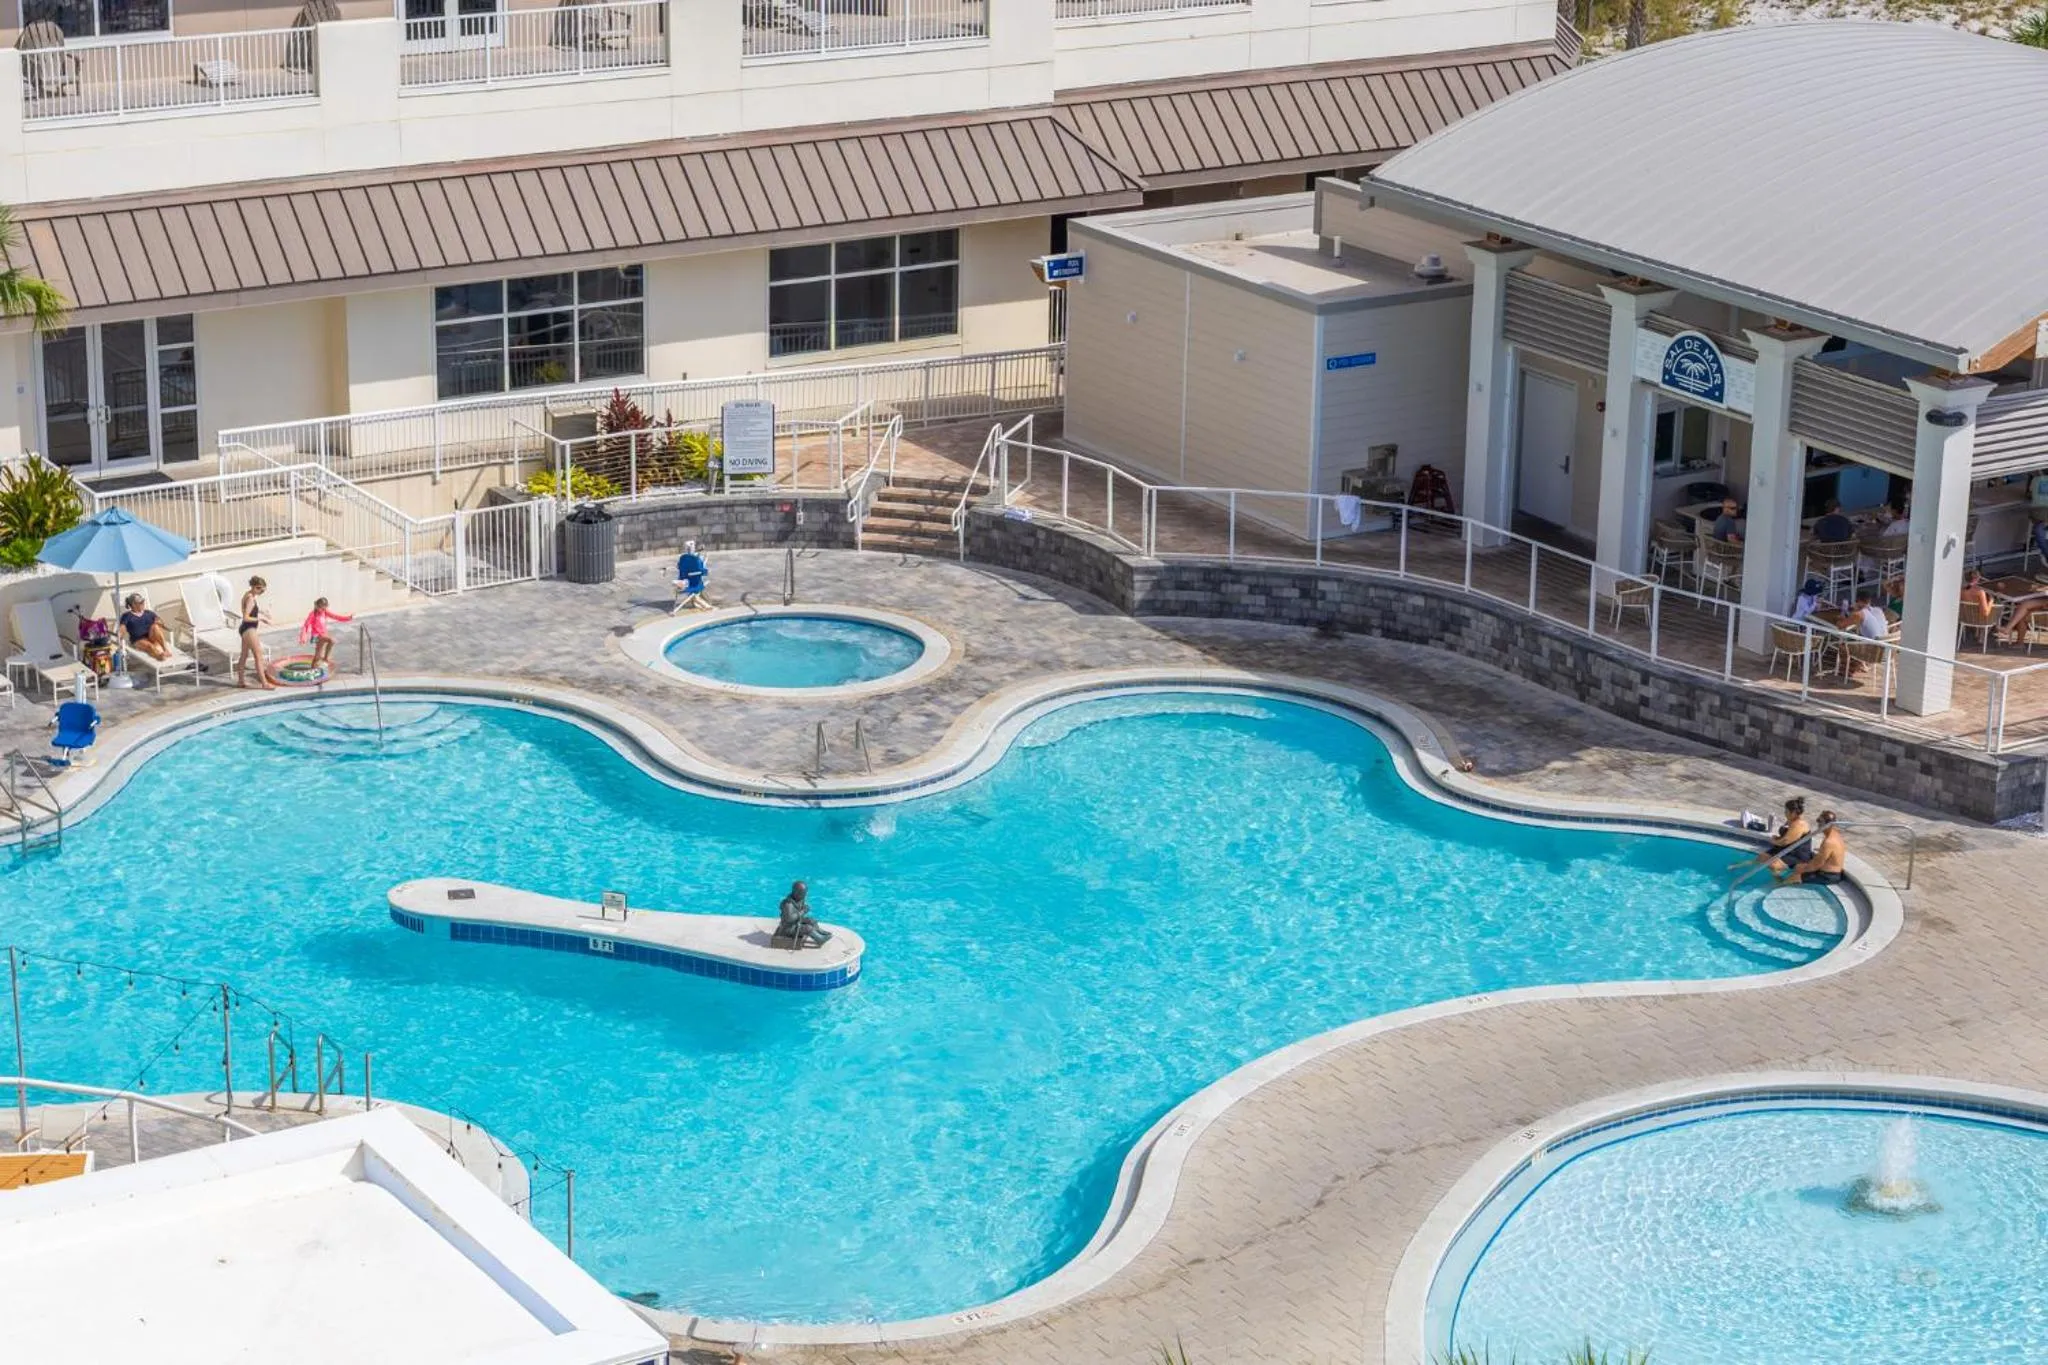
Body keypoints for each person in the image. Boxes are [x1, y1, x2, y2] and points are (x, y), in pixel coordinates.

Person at [1734, 797, 1812, 877]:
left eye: (1786, 811)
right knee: (1762, 857)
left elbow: (1785, 841)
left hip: (1796, 855)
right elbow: (1787, 836)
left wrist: (1774, 841)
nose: (1785, 813)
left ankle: (1778, 881)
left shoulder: (1799, 825)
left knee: (1773, 864)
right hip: (1786, 849)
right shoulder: (1792, 820)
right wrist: (1778, 838)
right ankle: (1740, 867)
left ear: (1793, 813)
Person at [1780, 811, 1847, 886]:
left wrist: (1802, 869)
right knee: (1798, 867)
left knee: (1794, 877)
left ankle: (1777, 886)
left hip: (1827, 876)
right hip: (1833, 872)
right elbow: (1832, 852)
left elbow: (1816, 865)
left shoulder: (1828, 842)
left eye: (1819, 821)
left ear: (1828, 825)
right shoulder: (1835, 834)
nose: (1818, 824)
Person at [236, 576, 275, 691]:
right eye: (258, 588)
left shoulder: (249, 595)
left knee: (244, 655)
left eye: (262, 590)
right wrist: (261, 619)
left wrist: (263, 612)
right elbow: (246, 617)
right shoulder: (251, 599)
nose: (260, 591)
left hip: (245, 629)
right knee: (258, 655)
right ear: (253, 586)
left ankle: (240, 681)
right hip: (249, 629)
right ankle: (264, 683)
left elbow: (251, 610)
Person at [299, 596, 354, 669]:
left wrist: (348, 618)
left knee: (318, 655)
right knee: (332, 641)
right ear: (317, 606)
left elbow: (336, 617)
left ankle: (313, 668)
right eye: (321, 608)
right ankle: (325, 659)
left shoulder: (325, 612)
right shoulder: (313, 614)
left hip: (323, 635)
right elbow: (306, 626)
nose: (323, 610)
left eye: (325, 608)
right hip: (317, 636)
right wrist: (303, 637)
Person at [117, 592, 172, 662]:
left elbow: (161, 623)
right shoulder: (127, 616)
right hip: (138, 640)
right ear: (133, 604)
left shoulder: (148, 613)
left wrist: (160, 622)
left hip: (151, 637)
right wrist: (120, 635)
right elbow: (123, 627)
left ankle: (165, 650)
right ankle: (159, 656)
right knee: (150, 647)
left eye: (143, 601)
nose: (143, 603)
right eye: (141, 602)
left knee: (155, 626)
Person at [776, 880, 832, 948]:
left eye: (805, 893)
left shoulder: (798, 899)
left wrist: (804, 907)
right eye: (803, 894)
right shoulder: (788, 904)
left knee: (811, 920)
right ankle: (820, 939)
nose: (804, 895)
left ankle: (819, 932)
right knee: (807, 928)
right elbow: (790, 919)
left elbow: (800, 908)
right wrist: (803, 911)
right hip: (788, 928)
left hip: (795, 922)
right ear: (796, 893)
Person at [673, 540, 712, 613]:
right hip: (695, 584)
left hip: (684, 582)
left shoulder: (683, 558)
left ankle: (695, 599)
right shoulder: (696, 559)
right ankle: (702, 603)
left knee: (692, 579)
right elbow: (703, 571)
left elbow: (678, 566)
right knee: (700, 580)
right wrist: (705, 571)